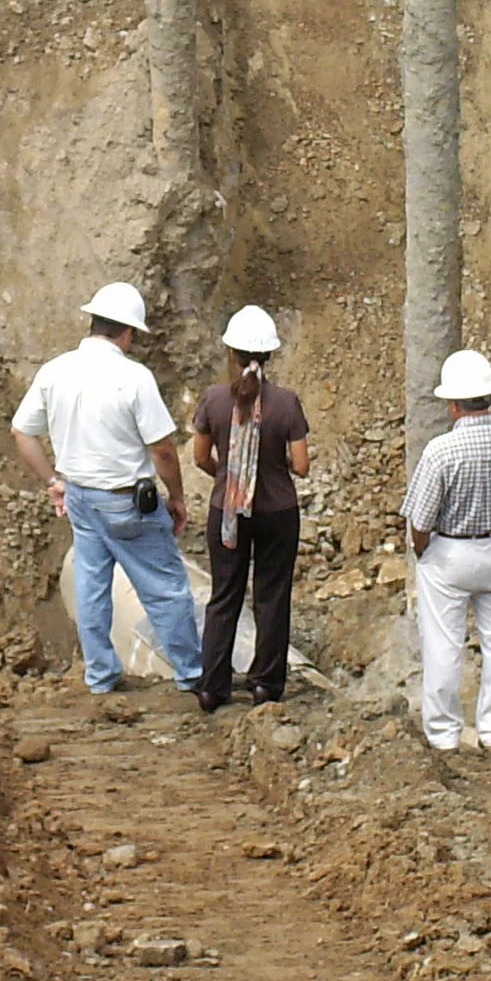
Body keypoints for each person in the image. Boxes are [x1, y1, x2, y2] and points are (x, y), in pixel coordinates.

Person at [9, 282, 203, 698]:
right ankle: (191, 673)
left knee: (91, 585)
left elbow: (22, 433)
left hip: (80, 495)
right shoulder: (133, 377)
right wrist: (178, 496)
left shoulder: (55, 371)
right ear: (128, 333)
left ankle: (100, 675)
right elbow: (163, 450)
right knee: (164, 586)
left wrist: (53, 483)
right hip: (126, 501)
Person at [398, 350, 491, 752]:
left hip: (450, 552)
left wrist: (423, 553)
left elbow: (420, 521)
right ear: (490, 396)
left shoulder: (440, 451)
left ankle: (445, 734)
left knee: (443, 645)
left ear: (452, 405)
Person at [189, 305, 311, 712]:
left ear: (231, 352)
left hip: (226, 509)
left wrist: (229, 478)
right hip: (278, 511)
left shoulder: (213, 399)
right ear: (271, 355)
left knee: (225, 595)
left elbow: (200, 457)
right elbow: (302, 465)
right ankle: (265, 684)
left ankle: (212, 687)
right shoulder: (287, 402)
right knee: (272, 596)